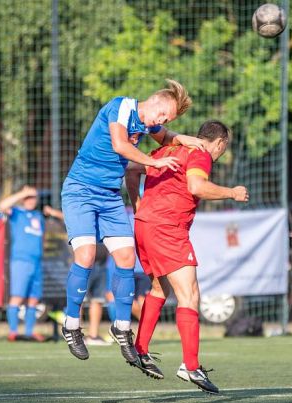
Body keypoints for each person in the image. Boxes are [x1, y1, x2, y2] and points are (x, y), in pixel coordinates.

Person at [60, 79, 203, 363]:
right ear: (154, 100)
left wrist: (183, 138)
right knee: (86, 255)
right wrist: (154, 163)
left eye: (167, 119)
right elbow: (120, 145)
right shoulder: (121, 106)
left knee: (126, 258)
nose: (161, 121)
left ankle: (122, 328)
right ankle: (71, 324)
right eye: (163, 114)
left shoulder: (148, 123)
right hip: (80, 190)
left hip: (110, 196)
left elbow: (166, 136)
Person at [126, 120, 249, 394]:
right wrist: (232, 193)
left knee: (160, 287)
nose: (221, 153)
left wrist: (138, 203)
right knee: (190, 295)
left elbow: (133, 169)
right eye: (223, 148)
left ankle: (140, 349)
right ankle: (190, 366)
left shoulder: (172, 148)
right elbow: (196, 186)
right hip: (168, 229)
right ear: (219, 142)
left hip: (144, 224)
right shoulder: (200, 153)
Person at [0, 186, 64, 342]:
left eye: (33, 197)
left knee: (33, 299)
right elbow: (2, 205)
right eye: (28, 197)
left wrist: (53, 212)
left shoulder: (38, 216)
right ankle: (13, 332)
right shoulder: (16, 212)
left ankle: (29, 332)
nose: (30, 200)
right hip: (21, 261)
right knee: (17, 297)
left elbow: (65, 218)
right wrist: (22, 193)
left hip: (37, 262)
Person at [83, 246, 112, 346]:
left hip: (102, 264)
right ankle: (76, 335)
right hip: (84, 263)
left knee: (98, 300)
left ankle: (93, 336)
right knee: (79, 300)